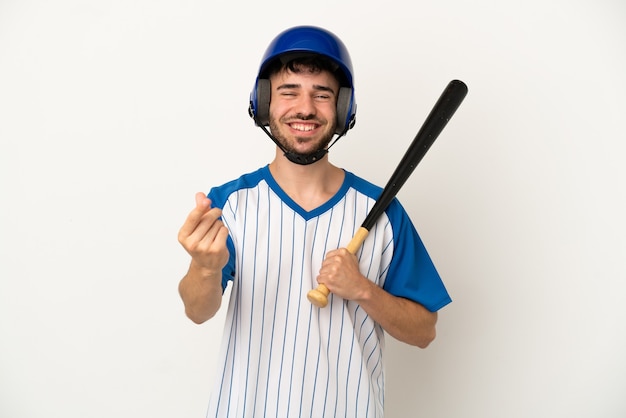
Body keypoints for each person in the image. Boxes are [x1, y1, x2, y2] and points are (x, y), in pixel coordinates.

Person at [177, 25, 452, 418]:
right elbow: (197, 311)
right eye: (289, 92)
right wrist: (205, 268)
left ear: (342, 110)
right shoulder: (232, 203)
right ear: (264, 102)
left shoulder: (384, 210)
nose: (305, 108)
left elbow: (424, 331)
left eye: (321, 95)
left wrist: (363, 290)